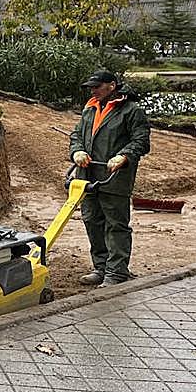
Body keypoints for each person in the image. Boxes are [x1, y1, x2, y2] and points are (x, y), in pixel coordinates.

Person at [69, 69, 151, 288]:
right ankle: (101, 267)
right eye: (91, 88)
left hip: (114, 178)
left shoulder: (131, 111)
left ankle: (117, 272)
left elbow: (141, 141)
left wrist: (123, 156)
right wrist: (77, 151)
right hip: (88, 176)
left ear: (111, 86)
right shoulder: (90, 108)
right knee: (92, 221)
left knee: (116, 225)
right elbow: (77, 135)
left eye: (97, 87)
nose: (93, 91)